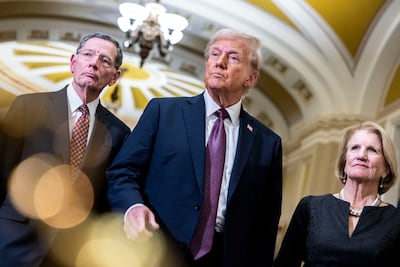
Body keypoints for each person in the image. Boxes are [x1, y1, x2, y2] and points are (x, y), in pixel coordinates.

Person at [106, 28, 283, 267]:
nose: (219, 62)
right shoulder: (163, 112)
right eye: (214, 54)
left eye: (233, 57)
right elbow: (122, 171)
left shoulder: (267, 142)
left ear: (250, 78)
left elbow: (266, 223)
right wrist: (133, 207)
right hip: (156, 248)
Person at [0, 32, 130, 266]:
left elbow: (106, 202)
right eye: (88, 54)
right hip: (12, 243)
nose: (93, 63)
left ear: (114, 77)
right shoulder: (28, 106)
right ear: (73, 62)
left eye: (105, 60)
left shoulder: (119, 133)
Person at [274, 121, 400, 267]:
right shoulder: (311, 207)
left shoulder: (395, 220)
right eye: (354, 148)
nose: (361, 155)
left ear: (386, 168)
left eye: (372, 150)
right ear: (344, 162)